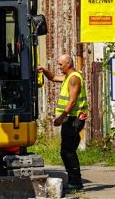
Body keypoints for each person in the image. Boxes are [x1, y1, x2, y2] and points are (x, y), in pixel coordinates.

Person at [38, 54, 88, 191]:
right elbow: (53, 78)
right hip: (71, 118)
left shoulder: (73, 79)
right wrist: (44, 70)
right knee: (66, 150)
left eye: (60, 64)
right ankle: (74, 179)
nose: (59, 67)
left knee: (68, 151)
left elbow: (72, 101)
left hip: (73, 119)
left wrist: (61, 117)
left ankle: (76, 182)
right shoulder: (69, 77)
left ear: (68, 64)